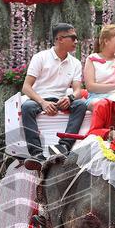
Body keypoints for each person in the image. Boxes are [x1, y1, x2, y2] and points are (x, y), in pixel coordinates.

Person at [20, 23, 89, 168]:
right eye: (73, 38)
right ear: (60, 39)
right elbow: (26, 87)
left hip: (61, 99)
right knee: (27, 107)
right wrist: (43, 102)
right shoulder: (41, 57)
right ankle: (36, 154)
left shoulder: (75, 62)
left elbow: (78, 90)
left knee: (81, 104)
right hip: (40, 98)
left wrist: (70, 98)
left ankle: (63, 146)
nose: (76, 41)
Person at [82, 24, 115, 107]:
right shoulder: (92, 59)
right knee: (103, 105)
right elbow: (90, 87)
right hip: (97, 98)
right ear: (106, 41)